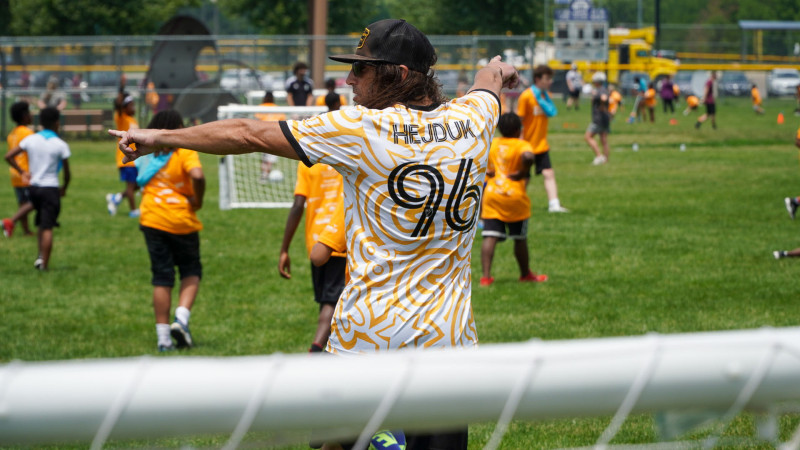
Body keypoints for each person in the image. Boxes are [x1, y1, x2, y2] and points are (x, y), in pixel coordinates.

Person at [111, 18, 517, 447]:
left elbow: (248, 132)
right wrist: (499, 67)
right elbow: (489, 79)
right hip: (447, 343)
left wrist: (161, 136)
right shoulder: (476, 119)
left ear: (396, 75)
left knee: (333, 441)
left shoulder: (361, 128)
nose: (349, 79)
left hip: (367, 337)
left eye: (361, 69)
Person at [135, 110, 205, 351]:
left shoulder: (147, 153)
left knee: (162, 277)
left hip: (151, 219)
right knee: (191, 271)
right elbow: (197, 174)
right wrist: (198, 200)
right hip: (180, 219)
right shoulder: (184, 149)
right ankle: (181, 320)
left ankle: (163, 339)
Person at [479, 112, 548, 286]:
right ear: (518, 130)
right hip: (514, 197)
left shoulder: (493, 143)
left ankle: (486, 277)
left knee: (490, 237)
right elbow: (529, 157)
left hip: (493, 195)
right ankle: (525, 274)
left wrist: (488, 172)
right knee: (519, 238)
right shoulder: (521, 145)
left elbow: (480, 162)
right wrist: (522, 172)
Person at [4, 107, 71, 271]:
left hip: (33, 187)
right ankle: (44, 265)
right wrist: (64, 187)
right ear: (57, 123)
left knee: (41, 223)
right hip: (50, 188)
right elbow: (68, 173)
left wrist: (22, 172)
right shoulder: (60, 144)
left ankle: (40, 257)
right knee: (47, 226)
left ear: (40, 122)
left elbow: (8, 156)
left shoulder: (31, 140)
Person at [517, 65, 569, 213]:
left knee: (548, 173)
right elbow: (519, 120)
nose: (550, 82)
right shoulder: (526, 96)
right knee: (524, 178)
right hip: (526, 145)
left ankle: (554, 204)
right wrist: (519, 143)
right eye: (547, 78)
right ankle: (517, 202)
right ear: (538, 79)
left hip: (541, 145)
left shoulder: (546, 96)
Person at [2, 102, 36, 238]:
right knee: (34, 202)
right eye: (29, 113)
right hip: (26, 172)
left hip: (15, 173)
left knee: (22, 203)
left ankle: (26, 231)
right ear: (24, 116)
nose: (31, 115)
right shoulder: (28, 132)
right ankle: (10, 221)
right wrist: (24, 172)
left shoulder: (12, 134)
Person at [106, 95, 140, 217]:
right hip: (126, 158)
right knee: (131, 186)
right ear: (124, 108)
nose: (134, 107)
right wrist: (121, 87)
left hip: (135, 159)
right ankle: (133, 211)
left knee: (138, 184)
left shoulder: (132, 120)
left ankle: (117, 198)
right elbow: (118, 105)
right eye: (131, 105)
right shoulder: (121, 118)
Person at [256, 91, 286, 182]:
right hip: (274, 134)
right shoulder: (277, 108)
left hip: (263, 135)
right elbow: (282, 122)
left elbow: (256, 120)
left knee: (265, 157)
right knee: (269, 158)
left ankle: (264, 175)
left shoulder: (261, 107)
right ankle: (265, 175)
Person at [585, 72, 611, 166]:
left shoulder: (600, 90)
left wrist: (602, 105)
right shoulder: (604, 89)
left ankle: (599, 156)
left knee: (588, 137)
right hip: (605, 118)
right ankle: (606, 160)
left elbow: (603, 98)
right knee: (603, 140)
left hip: (599, 118)